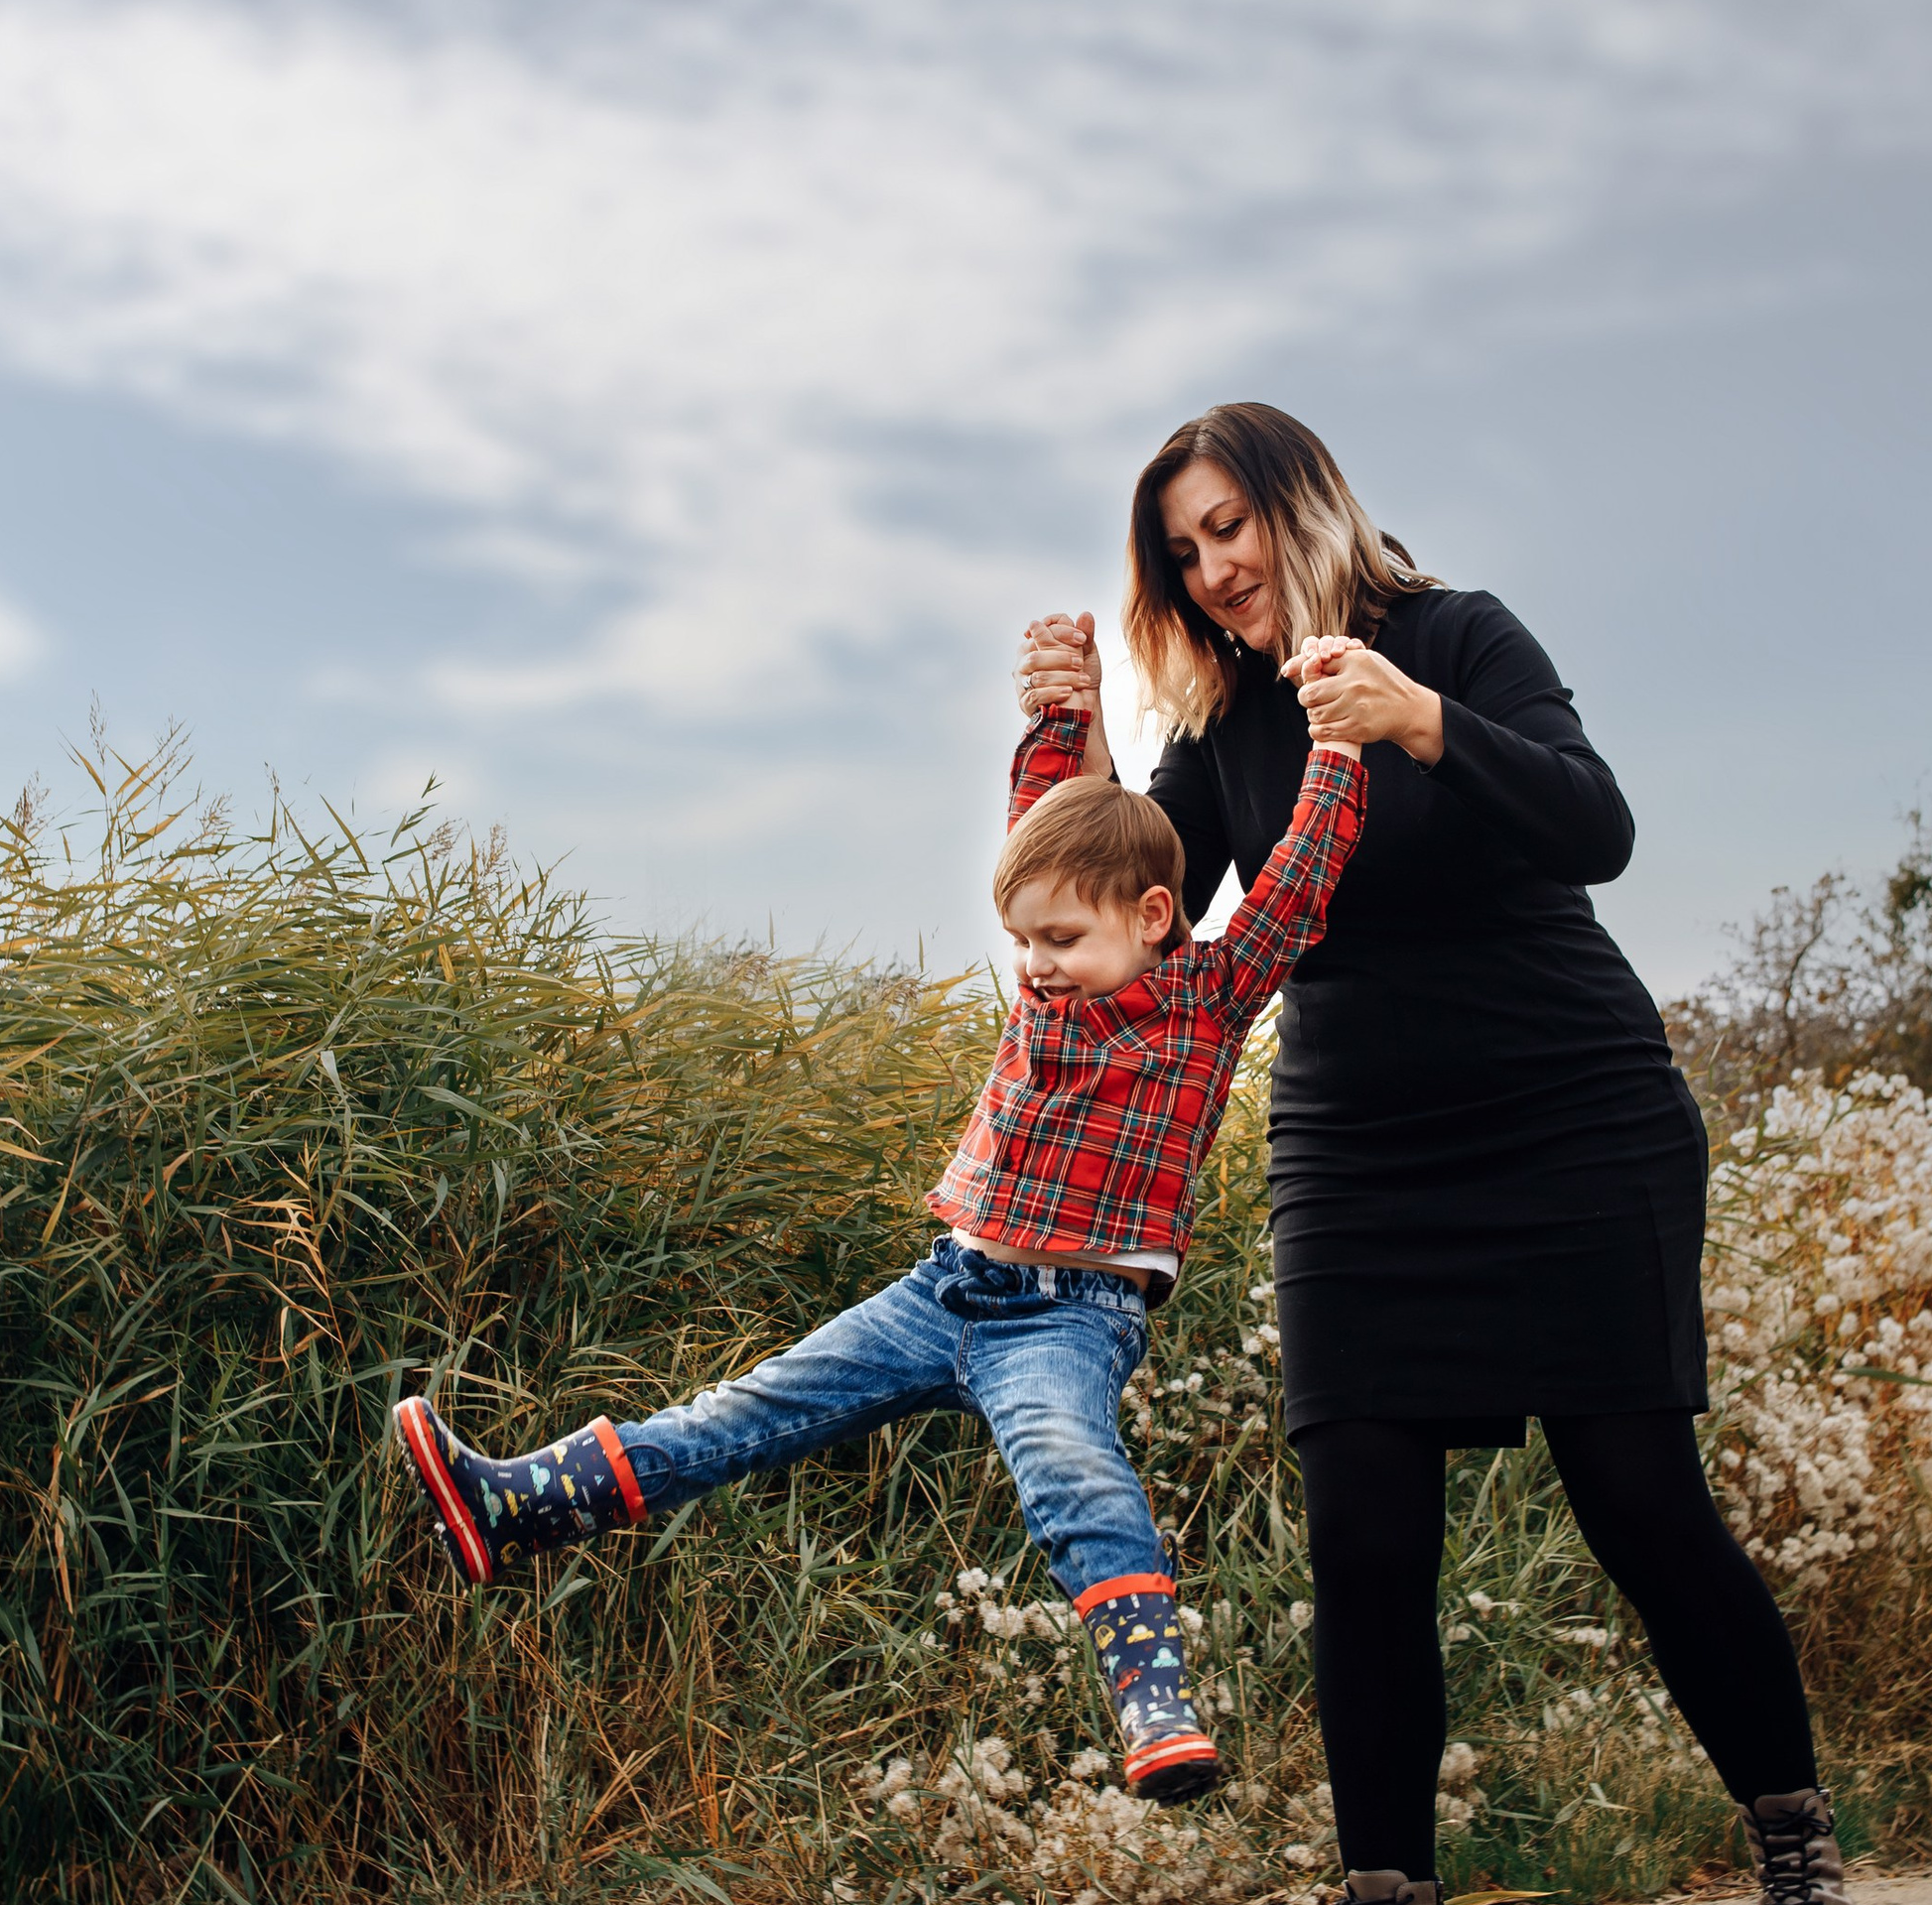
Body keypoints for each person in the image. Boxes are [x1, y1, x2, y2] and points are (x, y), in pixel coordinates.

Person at [1017, 400, 1873, 1905]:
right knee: (1366, 1538)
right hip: (1358, 1147)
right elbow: (1126, 909)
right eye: (1181, 552)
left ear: (1299, 506)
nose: (1212, 568)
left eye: (1227, 528)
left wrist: (1420, 726)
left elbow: (1594, 824)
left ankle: (1803, 1886)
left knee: (1639, 1497)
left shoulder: (1458, 639)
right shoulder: (1238, 730)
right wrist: (1070, 738)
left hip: (1571, 1109)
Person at [394, 715, 1365, 1801]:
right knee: (738, 1414)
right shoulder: (1047, 981)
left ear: (1149, 919)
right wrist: (1055, 712)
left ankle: (1153, 1701)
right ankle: (517, 1509)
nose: (1037, 968)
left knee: (1070, 1470)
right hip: (942, 1289)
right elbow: (1040, 826)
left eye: (1061, 942)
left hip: (1071, 1315)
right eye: (1024, 942)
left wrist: (1334, 749)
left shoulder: (1205, 1000)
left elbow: (1297, 882)